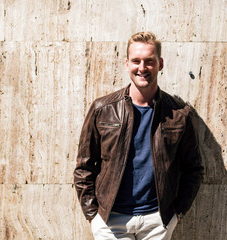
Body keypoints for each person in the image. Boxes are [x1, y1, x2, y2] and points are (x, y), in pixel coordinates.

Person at [73, 31, 204, 240]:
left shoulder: (180, 114)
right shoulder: (102, 109)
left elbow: (193, 169)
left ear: (160, 64)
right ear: (127, 64)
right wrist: (93, 217)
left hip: (157, 221)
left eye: (149, 61)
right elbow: (84, 167)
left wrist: (176, 214)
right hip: (110, 220)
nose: (142, 68)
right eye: (136, 61)